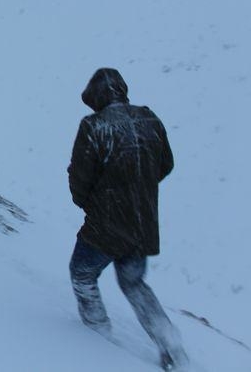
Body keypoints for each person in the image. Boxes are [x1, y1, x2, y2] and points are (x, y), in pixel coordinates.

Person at [67, 68, 188, 371]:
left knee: (82, 273)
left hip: (105, 223)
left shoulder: (94, 126)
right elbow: (166, 164)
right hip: (142, 221)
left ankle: (96, 335)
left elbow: (81, 177)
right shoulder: (150, 118)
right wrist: (140, 186)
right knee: (134, 284)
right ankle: (170, 345)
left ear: (95, 97)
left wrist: (90, 201)